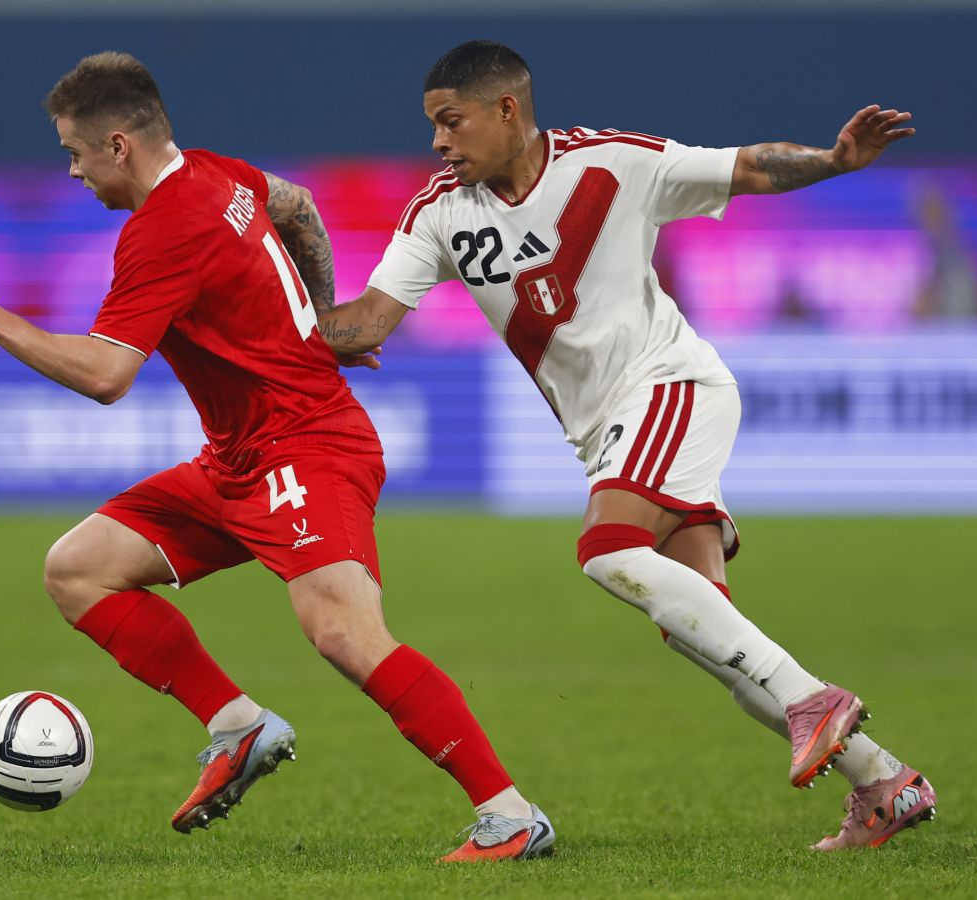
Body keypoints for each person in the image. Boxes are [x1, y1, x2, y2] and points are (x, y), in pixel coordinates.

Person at [0, 51, 552, 863]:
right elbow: (300, 207)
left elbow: (107, 376)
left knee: (345, 633)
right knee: (78, 569)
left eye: (75, 152)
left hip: (307, 447)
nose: (71, 170)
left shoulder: (161, 231)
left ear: (118, 146)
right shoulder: (218, 172)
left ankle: (509, 815)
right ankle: (238, 727)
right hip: (238, 459)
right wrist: (317, 321)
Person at [319, 40, 936, 851]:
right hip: (609, 429)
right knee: (705, 632)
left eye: (451, 121)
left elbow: (746, 167)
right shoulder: (440, 212)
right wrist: (270, 311)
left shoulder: (612, 162)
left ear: (506, 109)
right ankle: (884, 781)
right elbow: (364, 325)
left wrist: (833, 160)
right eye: (432, 125)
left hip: (672, 387)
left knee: (607, 550)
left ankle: (811, 702)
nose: (438, 142)